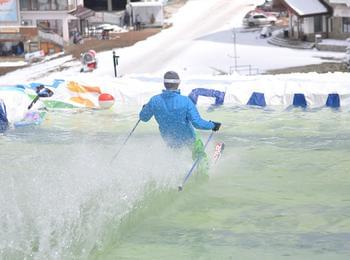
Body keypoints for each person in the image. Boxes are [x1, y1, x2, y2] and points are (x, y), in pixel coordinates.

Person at [139, 71, 221, 173]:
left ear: (165, 84)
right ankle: (203, 172)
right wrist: (213, 125)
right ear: (178, 84)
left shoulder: (154, 100)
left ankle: (176, 173)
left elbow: (143, 118)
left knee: (175, 157)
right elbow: (197, 123)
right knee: (198, 151)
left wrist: (145, 109)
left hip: (169, 139)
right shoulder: (185, 101)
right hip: (188, 137)